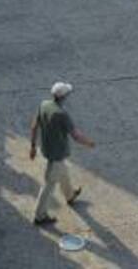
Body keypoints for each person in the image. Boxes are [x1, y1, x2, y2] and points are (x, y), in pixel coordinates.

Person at [30, 82, 95, 226]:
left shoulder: (44, 105)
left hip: (47, 149)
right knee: (49, 185)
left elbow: (34, 125)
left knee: (63, 172)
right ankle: (39, 216)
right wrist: (89, 142)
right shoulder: (62, 114)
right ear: (64, 97)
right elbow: (76, 136)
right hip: (56, 154)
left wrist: (33, 146)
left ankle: (70, 195)